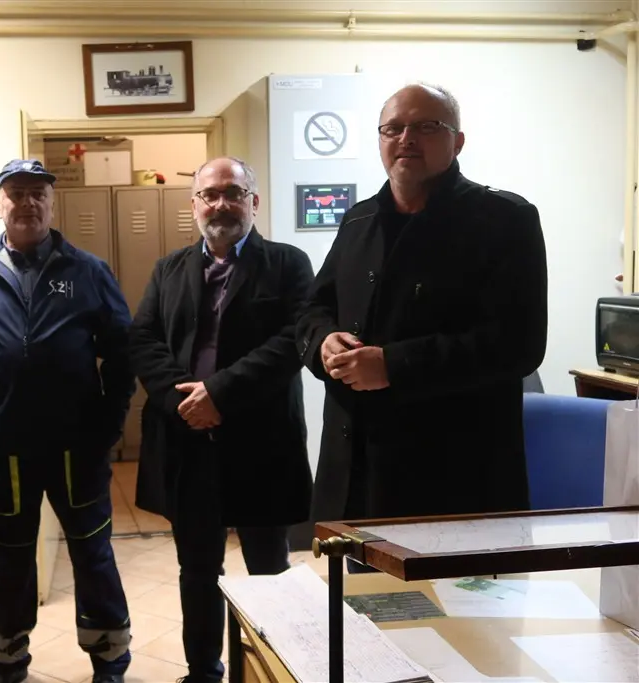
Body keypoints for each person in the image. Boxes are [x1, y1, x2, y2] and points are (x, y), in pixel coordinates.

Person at [296, 83, 548, 572]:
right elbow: (312, 308)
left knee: (457, 616)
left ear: (458, 141)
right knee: (367, 612)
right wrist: (322, 341)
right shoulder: (358, 220)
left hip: (454, 483)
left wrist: (393, 365)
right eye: (393, 128)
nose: (406, 138)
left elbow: (518, 345)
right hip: (357, 478)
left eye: (426, 126)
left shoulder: (504, 220)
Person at [0, 159, 135, 683]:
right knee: (10, 558)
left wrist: (109, 426)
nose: (27, 202)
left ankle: (110, 661)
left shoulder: (87, 270)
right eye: (16, 193)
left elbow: (122, 352)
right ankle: (6, 663)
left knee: (92, 553)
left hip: (77, 449)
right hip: (6, 449)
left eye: (37, 193)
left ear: (51, 202)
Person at [129, 156, 315, 682]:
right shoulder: (168, 269)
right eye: (210, 195)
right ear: (195, 206)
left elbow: (293, 340)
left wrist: (219, 393)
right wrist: (184, 401)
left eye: (233, 193)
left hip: (262, 444)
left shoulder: (289, 264)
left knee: (269, 569)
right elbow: (142, 339)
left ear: (254, 202)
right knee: (197, 570)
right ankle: (203, 671)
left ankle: (276, 669)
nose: (221, 204)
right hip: (188, 442)